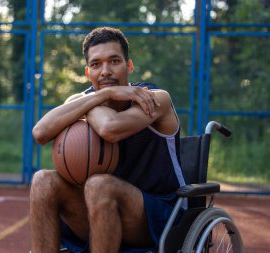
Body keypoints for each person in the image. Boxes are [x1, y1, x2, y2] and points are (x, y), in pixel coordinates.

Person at [30, 27, 186, 253]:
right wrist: (105, 94)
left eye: (114, 61)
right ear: (87, 72)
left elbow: (109, 128)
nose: (105, 71)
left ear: (129, 66)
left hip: (160, 216)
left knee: (98, 185)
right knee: (43, 180)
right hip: (100, 212)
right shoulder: (86, 99)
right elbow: (40, 132)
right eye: (96, 64)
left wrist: (93, 100)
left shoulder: (156, 99)